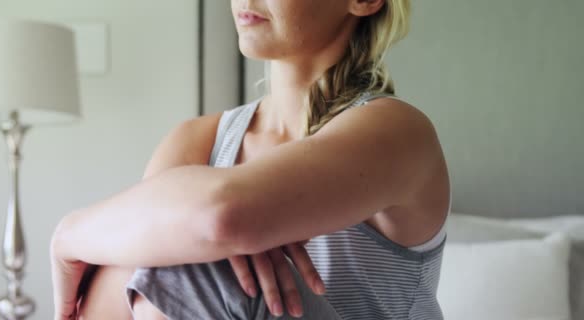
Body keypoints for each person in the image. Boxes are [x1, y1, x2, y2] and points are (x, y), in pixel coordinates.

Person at [50, 0, 452, 319]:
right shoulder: (197, 141)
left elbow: (221, 215)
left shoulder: (397, 131)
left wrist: (69, 234)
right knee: (166, 251)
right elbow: (106, 304)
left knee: (188, 259)